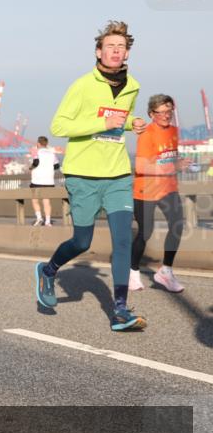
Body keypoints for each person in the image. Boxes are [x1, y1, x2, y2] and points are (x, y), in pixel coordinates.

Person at [34, 20, 148, 331]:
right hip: (83, 175)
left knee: (123, 240)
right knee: (82, 241)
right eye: (110, 46)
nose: (116, 51)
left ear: (126, 54)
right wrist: (102, 124)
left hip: (118, 175)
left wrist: (132, 122)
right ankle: (48, 270)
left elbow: (118, 119)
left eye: (121, 47)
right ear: (98, 51)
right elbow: (59, 126)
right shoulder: (82, 85)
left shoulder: (133, 86)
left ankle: (120, 311)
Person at [130, 94, 186, 293]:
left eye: (169, 111)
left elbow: (168, 158)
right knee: (146, 232)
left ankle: (165, 271)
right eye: (160, 112)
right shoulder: (147, 133)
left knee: (178, 226)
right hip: (146, 190)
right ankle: (133, 272)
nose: (165, 115)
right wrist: (172, 165)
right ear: (151, 114)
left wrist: (178, 165)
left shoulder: (174, 131)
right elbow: (141, 165)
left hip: (168, 188)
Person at [30, 136, 60, 226]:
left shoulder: (36, 151)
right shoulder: (52, 153)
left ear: (38, 144)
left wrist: (31, 168)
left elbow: (36, 162)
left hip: (37, 180)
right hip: (49, 181)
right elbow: (57, 166)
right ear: (46, 144)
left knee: (35, 200)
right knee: (46, 201)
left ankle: (39, 218)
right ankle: (47, 221)